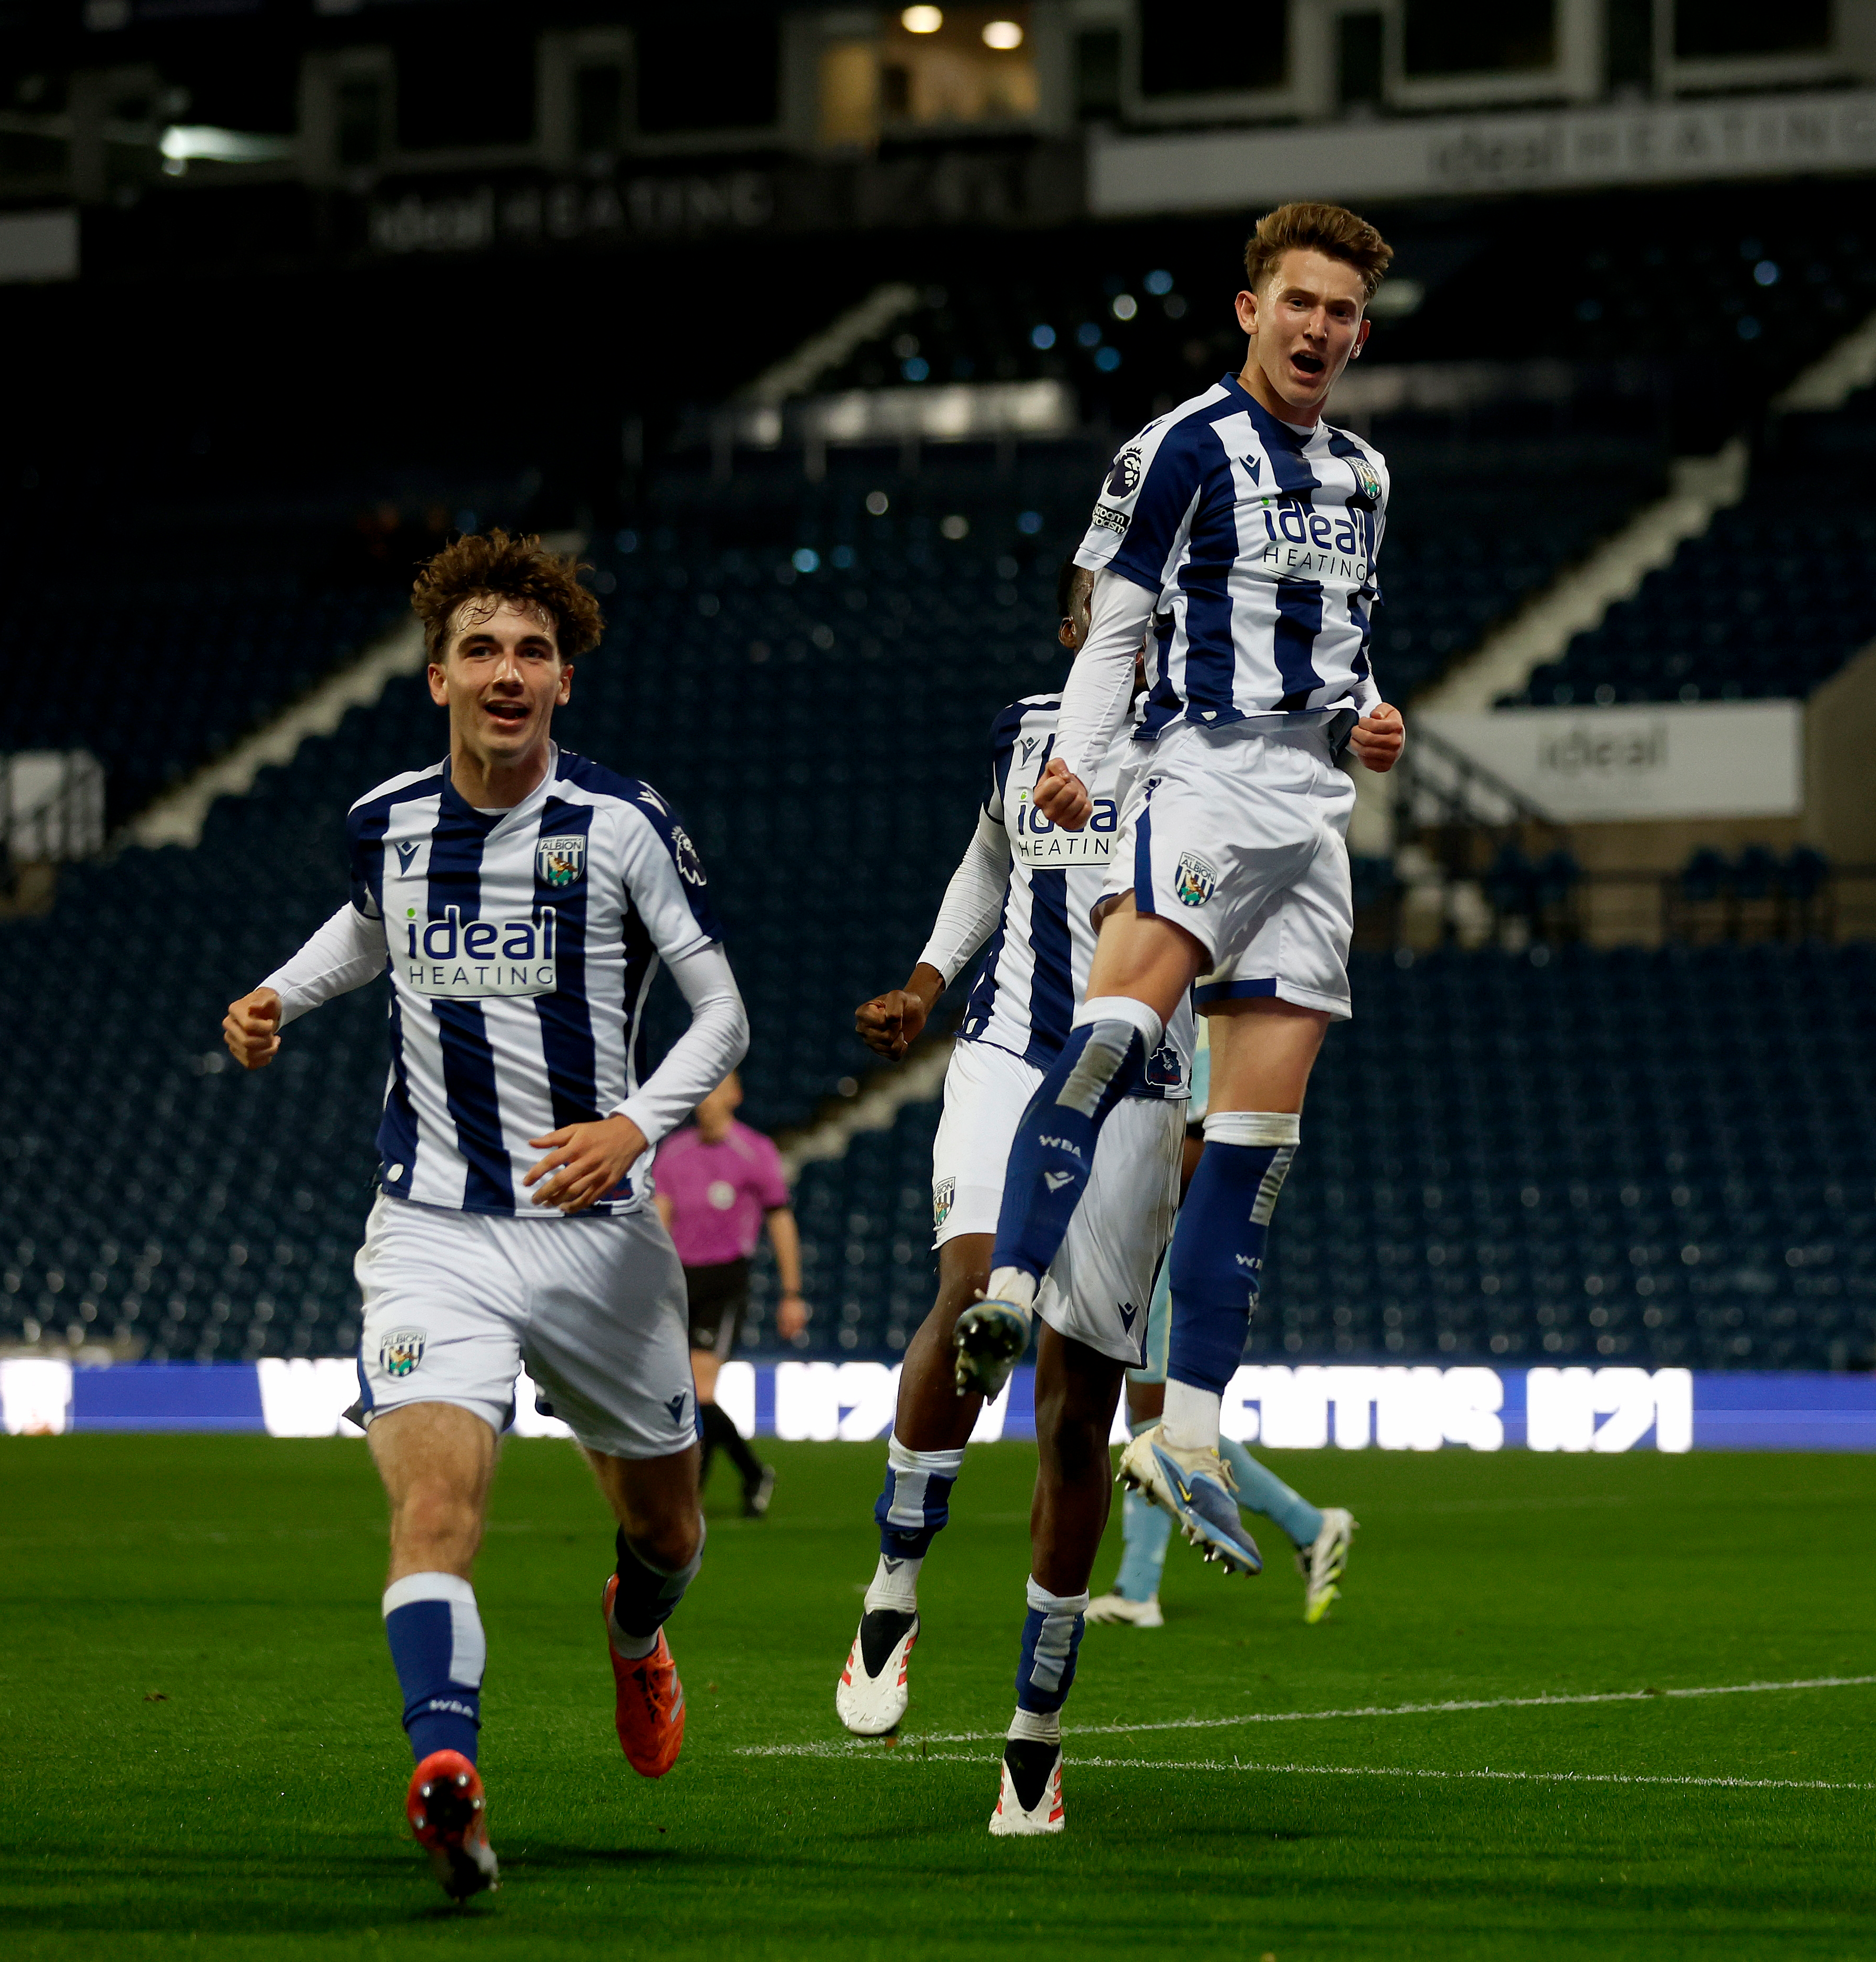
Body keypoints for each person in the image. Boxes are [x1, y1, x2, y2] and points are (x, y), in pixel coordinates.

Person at [220, 531, 746, 1900]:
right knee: (438, 1504)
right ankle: (446, 1773)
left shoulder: (619, 824)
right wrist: (280, 992)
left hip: (601, 1238)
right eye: (482, 650)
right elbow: (367, 925)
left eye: (532, 651)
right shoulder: (386, 819)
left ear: (564, 678)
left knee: (670, 1532)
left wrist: (637, 1123)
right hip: (433, 1233)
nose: (506, 673)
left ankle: (638, 1637)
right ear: (438, 674)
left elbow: (722, 1010)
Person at [960, 201, 1408, 1586]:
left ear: (1359, 329)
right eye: (1299, 302)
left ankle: (1192, 1435)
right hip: (1198, 782)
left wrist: (1374, 713)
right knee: (1118, 1029)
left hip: (1314, 815)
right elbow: (1118, 624)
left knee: (1254, 1141)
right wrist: (1080, 763)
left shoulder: (1366, 477)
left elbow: (1340, 646)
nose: (1319, 328)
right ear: (1250, 308)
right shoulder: (1176, 448)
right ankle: (1014, 1283)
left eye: (1341, 311)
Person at [840, 560, 1190, 1834]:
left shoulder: (1212, 755)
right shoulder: (1022, 733)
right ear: (1072, 631)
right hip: (1006, 1050)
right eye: (1116, 613)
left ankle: (1034, 1732)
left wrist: (1208, 1121)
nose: (1141, 634)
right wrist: (930, 982)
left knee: (1075, 1417)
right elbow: (987, 862)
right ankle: (893, 1585)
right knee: (973, 1284)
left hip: (1142, 1086)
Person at [1090, 1022, 1356, 1627]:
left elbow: (1203, 1150)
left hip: (1179, 1232)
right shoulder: (1196, 1007)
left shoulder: (1206, 1019)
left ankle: (1307, 1527)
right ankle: (1140, 1586)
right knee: (1149, 1419)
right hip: (1162, 1229)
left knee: (1158, 1417)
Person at [652, 1069, 803, 1518]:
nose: (705, 1096)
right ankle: (752, 1473)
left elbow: (780, 1220)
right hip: (679, 1281)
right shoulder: (674, 1152)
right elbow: (660, 1222)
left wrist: (792, 1292)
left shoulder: (754, 1151)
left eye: (715, 1086)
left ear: (735, 1093)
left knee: (698, 1389)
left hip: (725, 1281)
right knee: (679, 1392)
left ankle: (687, 1496)